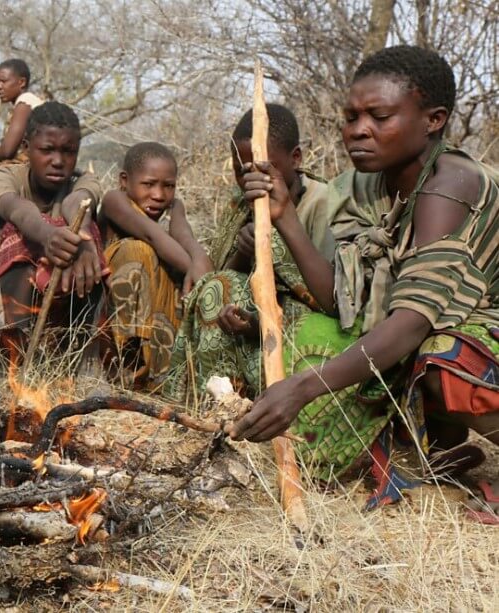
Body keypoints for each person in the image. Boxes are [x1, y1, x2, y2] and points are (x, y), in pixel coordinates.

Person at [229, 46, 499, 522]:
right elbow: (341, 301)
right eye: (351, 117)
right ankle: (436, 445)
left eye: (379, 116)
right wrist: (285, 215)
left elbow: (411, 323)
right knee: (314, 330)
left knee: (442, 358)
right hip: (440, 331)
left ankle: (441, 436)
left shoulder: (451, 185)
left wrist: (302, 389)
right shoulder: (363, 187)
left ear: (433, 120)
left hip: (472, 336)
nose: (358, 130)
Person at [164, 104, 337, 401]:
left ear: (295, 158)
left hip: (305, 323)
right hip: (253, 313)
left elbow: (331, 298)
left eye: (263, 169)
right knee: (216, 290)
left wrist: (275, 240)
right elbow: (222, 277)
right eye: (241, 171)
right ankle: (220, 404)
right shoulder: (242, 202)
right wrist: (244, 254)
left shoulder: (323, 203)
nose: (250, 181)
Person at [0, 101, 107, 400]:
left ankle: (87, 361)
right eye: (47, 150)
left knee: (86, 236)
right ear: (27, 148)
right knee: (22, 235)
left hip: (56, 313)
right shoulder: (2, 177)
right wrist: (50, 236)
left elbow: (78, 202)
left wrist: (79, 238)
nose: (58, 161)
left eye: (68, 151)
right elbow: (19, 210)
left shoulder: (83, 181)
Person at [98, 142, 210, 389]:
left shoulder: (172, 206)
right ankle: (124, 367)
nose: (159, 195)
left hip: (153, 322)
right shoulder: (114, 200)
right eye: (148, 184)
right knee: (140, 251)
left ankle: (162, 376)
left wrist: (197, 258)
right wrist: (202, 277)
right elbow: (152, 235)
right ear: (125, 181)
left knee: (176, 274)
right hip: (105, 318)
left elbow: (184, 237)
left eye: (168, 186)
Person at [0, 59, 45, 164]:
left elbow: (8, 150)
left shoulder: (25, 101)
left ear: (22, 82)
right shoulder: (23, 104)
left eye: (4, 81)